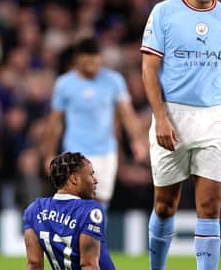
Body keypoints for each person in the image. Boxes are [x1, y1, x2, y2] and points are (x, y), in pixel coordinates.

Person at [15, 152, 221, 270]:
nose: (96, 180)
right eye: (91, 174)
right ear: (74, 178)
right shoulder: (90, 211)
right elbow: (88, 264)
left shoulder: (35, 210)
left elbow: (34, 265)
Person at [141, 0, 221, 270]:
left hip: (213, 119)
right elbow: (149, 68)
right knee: (165, 204)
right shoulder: (164, 13)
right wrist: (160, 116)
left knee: (209, 206)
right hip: (172, 116)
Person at [42, 38, 147, 210]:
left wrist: (137, 141)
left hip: (106, 152)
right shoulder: (65, 84)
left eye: (95, 59)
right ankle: (77, 236)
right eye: (88, 59)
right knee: (77, 203)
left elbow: (127, 114)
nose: (92, 64)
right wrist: (49, 153)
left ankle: (94, 237)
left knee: (100, 205)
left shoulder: (114, 81)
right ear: (78, 59)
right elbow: (54, 123)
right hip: (76, 152)